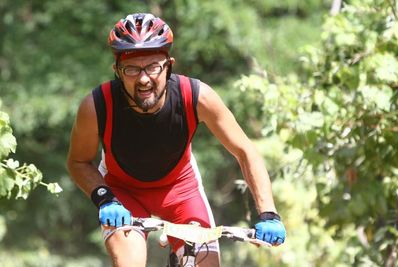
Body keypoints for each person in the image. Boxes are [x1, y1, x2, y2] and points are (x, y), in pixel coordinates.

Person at [67, 13, 286, 267]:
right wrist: (103, 197)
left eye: (153, 67)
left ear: (169, 65)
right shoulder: (96, 106)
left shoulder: (196, 96)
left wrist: (269, 213)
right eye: (131, 69)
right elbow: (78, 161)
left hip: (180, 190)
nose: (144, 79)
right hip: (122, 191)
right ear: (117, 71)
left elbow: (246, 152)